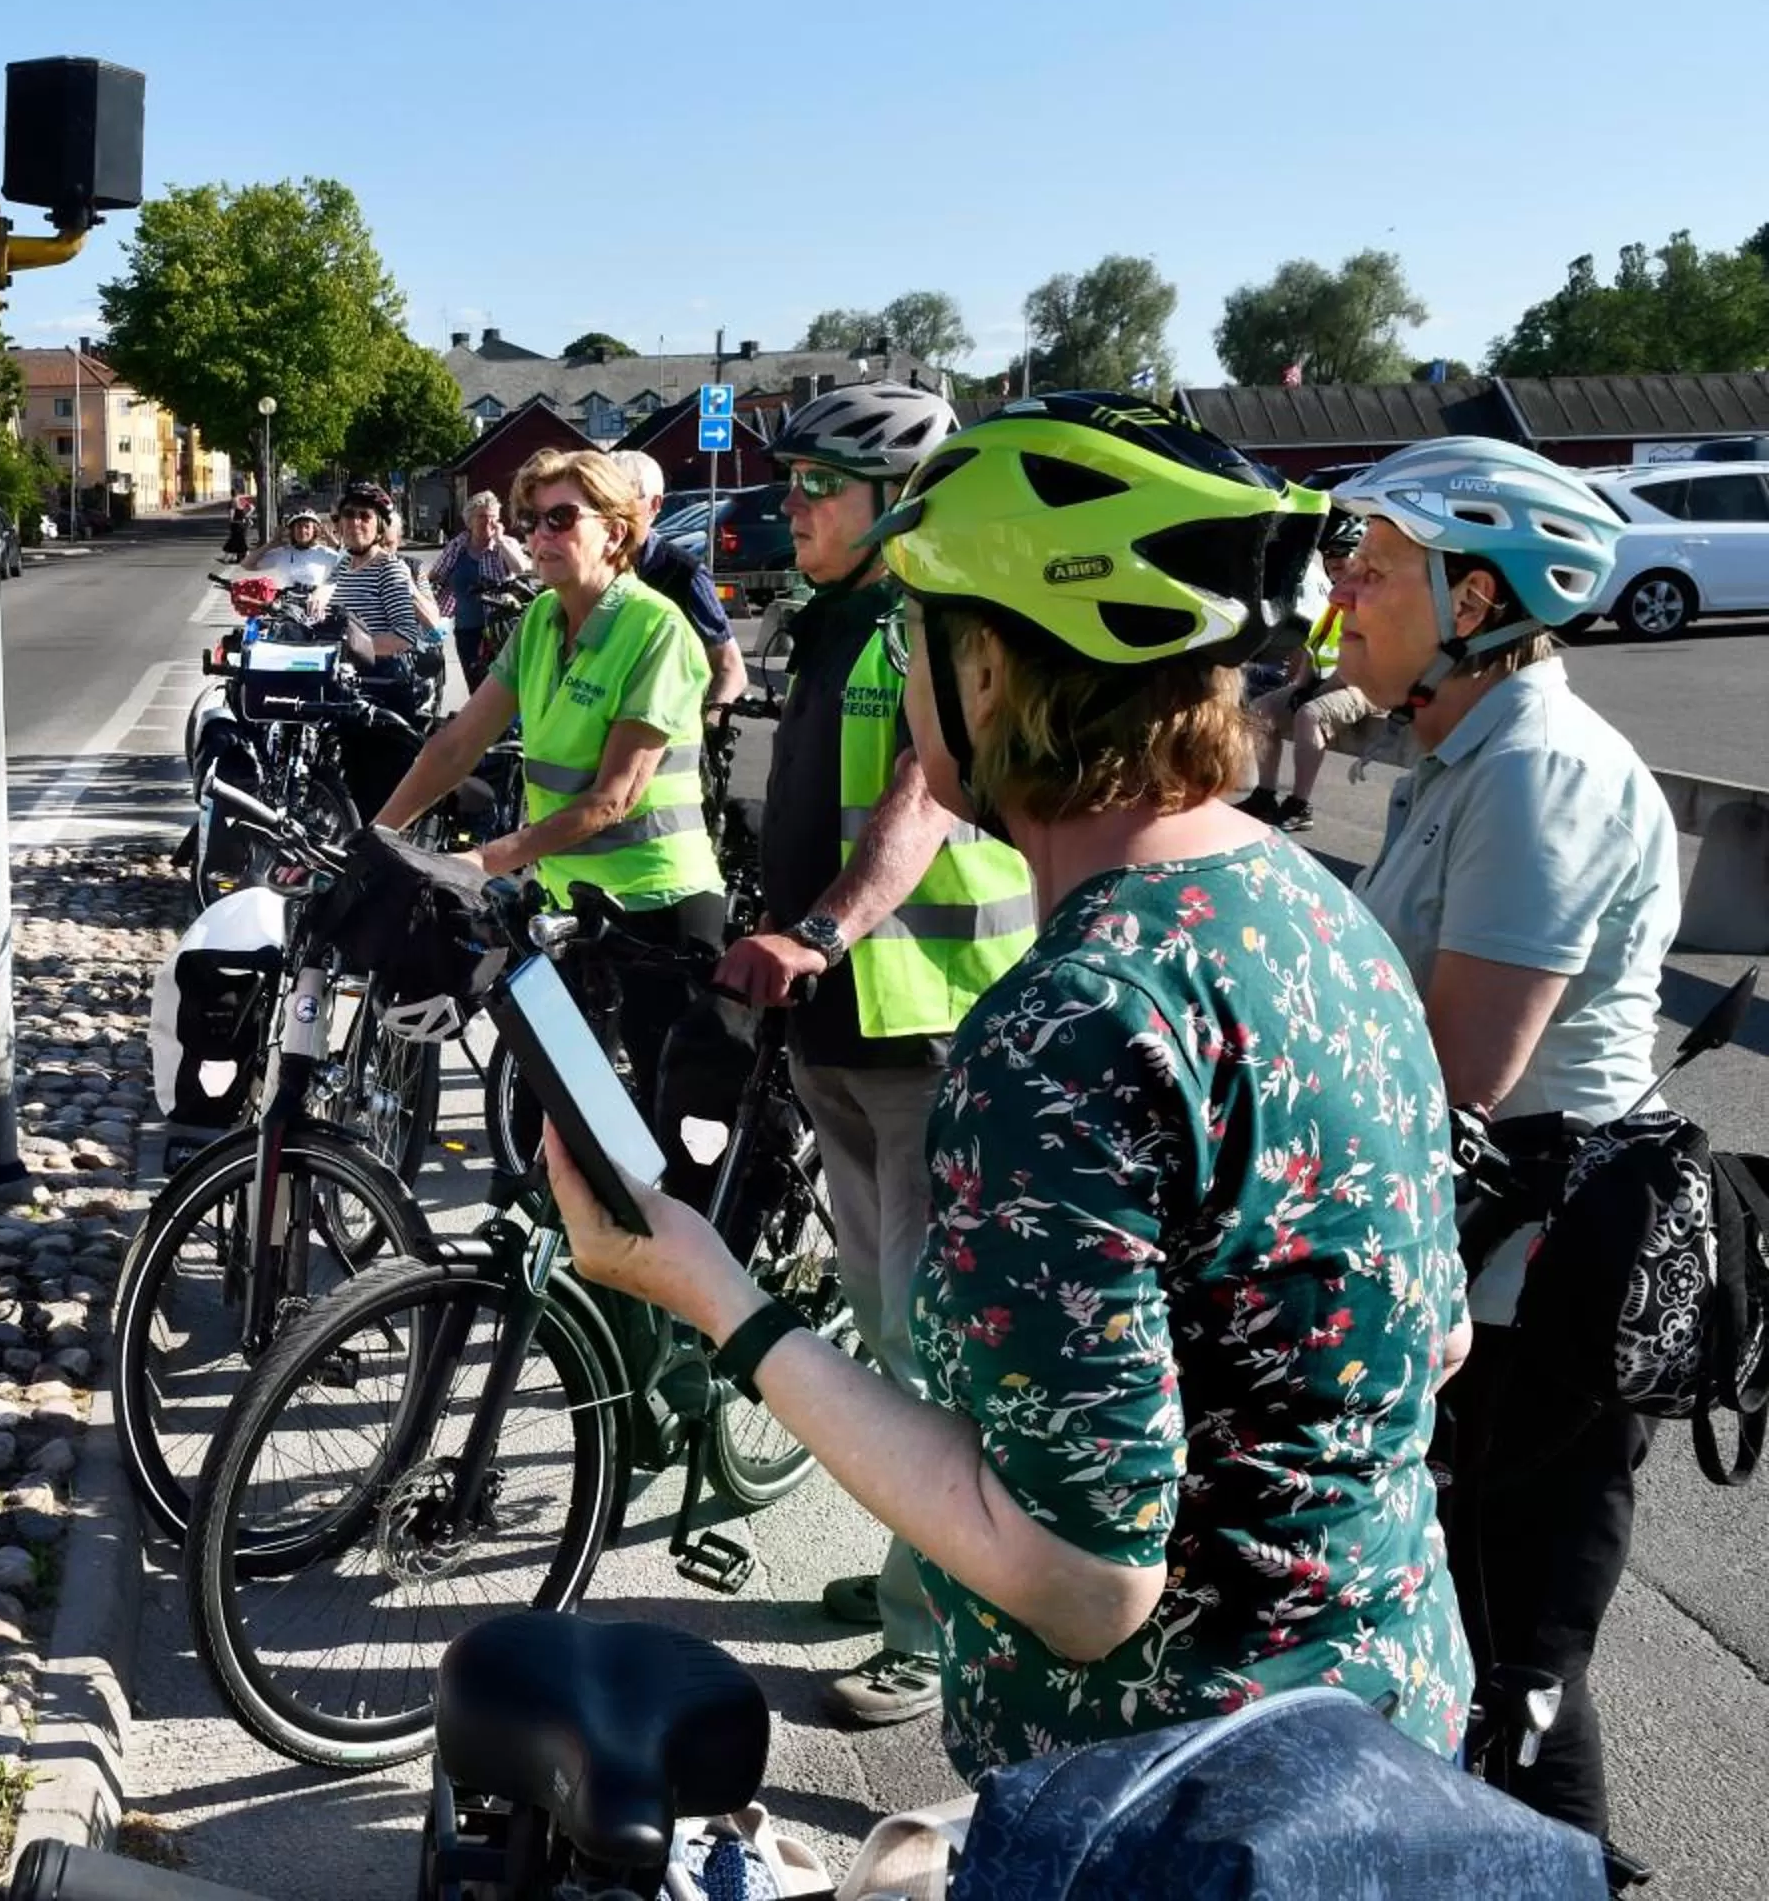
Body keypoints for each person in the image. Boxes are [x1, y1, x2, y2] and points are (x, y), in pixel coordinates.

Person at [546, 389, 1471, 1784]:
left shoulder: (1067, 1030)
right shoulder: (1317, 909)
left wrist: (713, 1299)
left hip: (1166, 1805)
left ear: (990, 671)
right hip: (1391, 1728)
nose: (909, 681)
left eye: (924, 636)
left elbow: (1084, 1583)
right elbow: (1431, 1340)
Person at [1327, 435, 1676, 1871]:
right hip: (1483, 1253)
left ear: (1479, 598)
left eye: (1379, 565)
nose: (1341, 588)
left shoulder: (1537, 767)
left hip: (1540, 1280)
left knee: (1519, 1656)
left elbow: (1460, 1066)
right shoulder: (1459, 748)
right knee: (1460, 1629)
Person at [712, 380, 1033, 1729]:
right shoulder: (834, 614)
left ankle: (936, 1624)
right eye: (787, 483)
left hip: (925, 1018)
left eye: (816, 486)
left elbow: (913, 793)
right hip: (841, 1027)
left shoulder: (932, 621)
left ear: (895, 500)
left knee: (930, 1347)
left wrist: (825, 929)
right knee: (885, 1330)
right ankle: (915, 1569)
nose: (790, 507)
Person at [374, 447, 726, 1136]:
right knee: (551, 1123)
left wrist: (481, 861)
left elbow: (611, 800)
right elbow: (456, 745)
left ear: (616, 531)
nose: (539, 537)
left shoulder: (656, 629)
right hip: (571, 908)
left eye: (561, 519)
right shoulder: (540, 621)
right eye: (531, 521)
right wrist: (379, 839)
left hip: (660, 912)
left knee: (665, 1135)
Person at [1236, 513, 1378, 831]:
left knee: (1310, 715)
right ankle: (1265, 794)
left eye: (1343, 560)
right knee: (1261, 709)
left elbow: (1367, 664)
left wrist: (1314, 692)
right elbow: (1312, 649)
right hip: (1327, 681)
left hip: (1367, 687)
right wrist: (1298, 685)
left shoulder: (1373, 602)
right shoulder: (1335, 600)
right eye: (1330, 560)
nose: (1333, 567)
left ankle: (1300, 804)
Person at [318, 480, 444, 820]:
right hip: (350, 688)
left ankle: (384, 862)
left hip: (383, 689)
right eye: (348, 515)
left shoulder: (387, 568)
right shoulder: (344, 565)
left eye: (364, 516)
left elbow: (405, 636)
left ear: (379, 526)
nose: (355, 523)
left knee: (379, 792)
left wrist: (353, 649)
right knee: (352, 784)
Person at [612, 448, 750, 718]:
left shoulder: (684, 574)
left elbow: (730, 668)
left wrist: (707, 728)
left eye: (621, 499)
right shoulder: (588, 570)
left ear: (654, 505)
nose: (609, 512)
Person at [426, 490, 530, 687]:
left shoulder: (506, 544)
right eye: (481, 517)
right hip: (468, 628)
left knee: (505, 686)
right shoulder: (457, 546)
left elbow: (520, 569)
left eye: (492, 518)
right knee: (475, 683)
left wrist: (499, 542)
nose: (487, 522)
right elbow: (435, 575)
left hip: (503, 628)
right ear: (469, 520)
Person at [243, 504, 340, 594]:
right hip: (286, 608)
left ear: (315, 530)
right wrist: (271, 544)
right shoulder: (282, 553)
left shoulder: (325, 553)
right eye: (299, 527)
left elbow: (350, 565)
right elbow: (247, 564)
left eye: (307, 527)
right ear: (292, 531)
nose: (302, 531)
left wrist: (336, 545)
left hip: (314, 608)